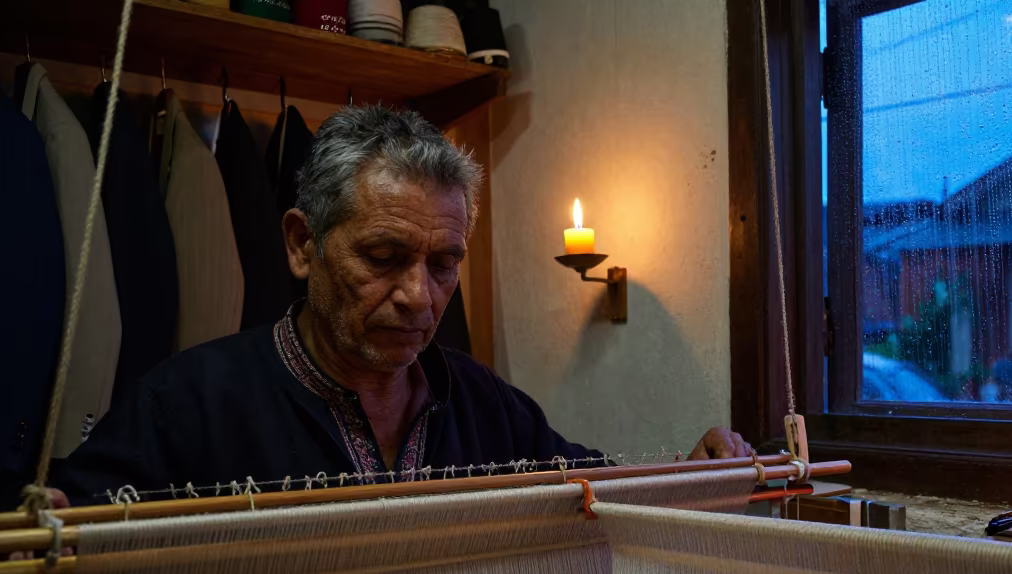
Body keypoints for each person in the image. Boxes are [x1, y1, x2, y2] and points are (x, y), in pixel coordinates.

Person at [48, 105, 750, 507]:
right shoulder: (184, 405)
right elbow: (63, 537)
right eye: (383, 259)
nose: (420, 296)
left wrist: (696, 475)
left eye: (444, 265)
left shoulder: (482, 405)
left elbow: (593, 491)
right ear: (302, 245)